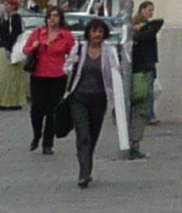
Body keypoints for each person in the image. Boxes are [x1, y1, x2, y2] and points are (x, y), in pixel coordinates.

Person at [63, 19, 113, 187]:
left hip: (99, 98)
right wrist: (72, 65)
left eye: (99, 32)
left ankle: (87, 167)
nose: (97, 35)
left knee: (93, 135)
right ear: (88, 33)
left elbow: (113, 75)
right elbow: (66, 67)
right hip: (79, 97)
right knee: (83, 134)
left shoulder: (109, 52)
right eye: (93, 31)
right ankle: (83, 172)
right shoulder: (79, 49)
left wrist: (118, 71)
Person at [20, 11, 76, 155]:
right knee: (36, 110)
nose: (52, 19)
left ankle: (48, 143)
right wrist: (33, 47)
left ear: (60, 19)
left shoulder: (66, 36)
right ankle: (37, 134)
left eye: (55, 16)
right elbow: (25, 50)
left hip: (57, 76)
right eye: (50, 16)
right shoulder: (38, 33)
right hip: (38, 75)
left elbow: (73, 53)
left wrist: (72, 62)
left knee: (53, 111)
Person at [127, 3, 163, 147]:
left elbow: (158, 22)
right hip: (141, 67)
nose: (151, 13)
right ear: (141, 10)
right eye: (149, 10)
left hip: (147, 64)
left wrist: (142, 26)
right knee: (142, 95)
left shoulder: (146, 27)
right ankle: (147, 115)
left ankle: (147, 115)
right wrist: (139, 28)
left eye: (152, 10)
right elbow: (157, 25)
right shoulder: (140, 33)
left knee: (147, 92)